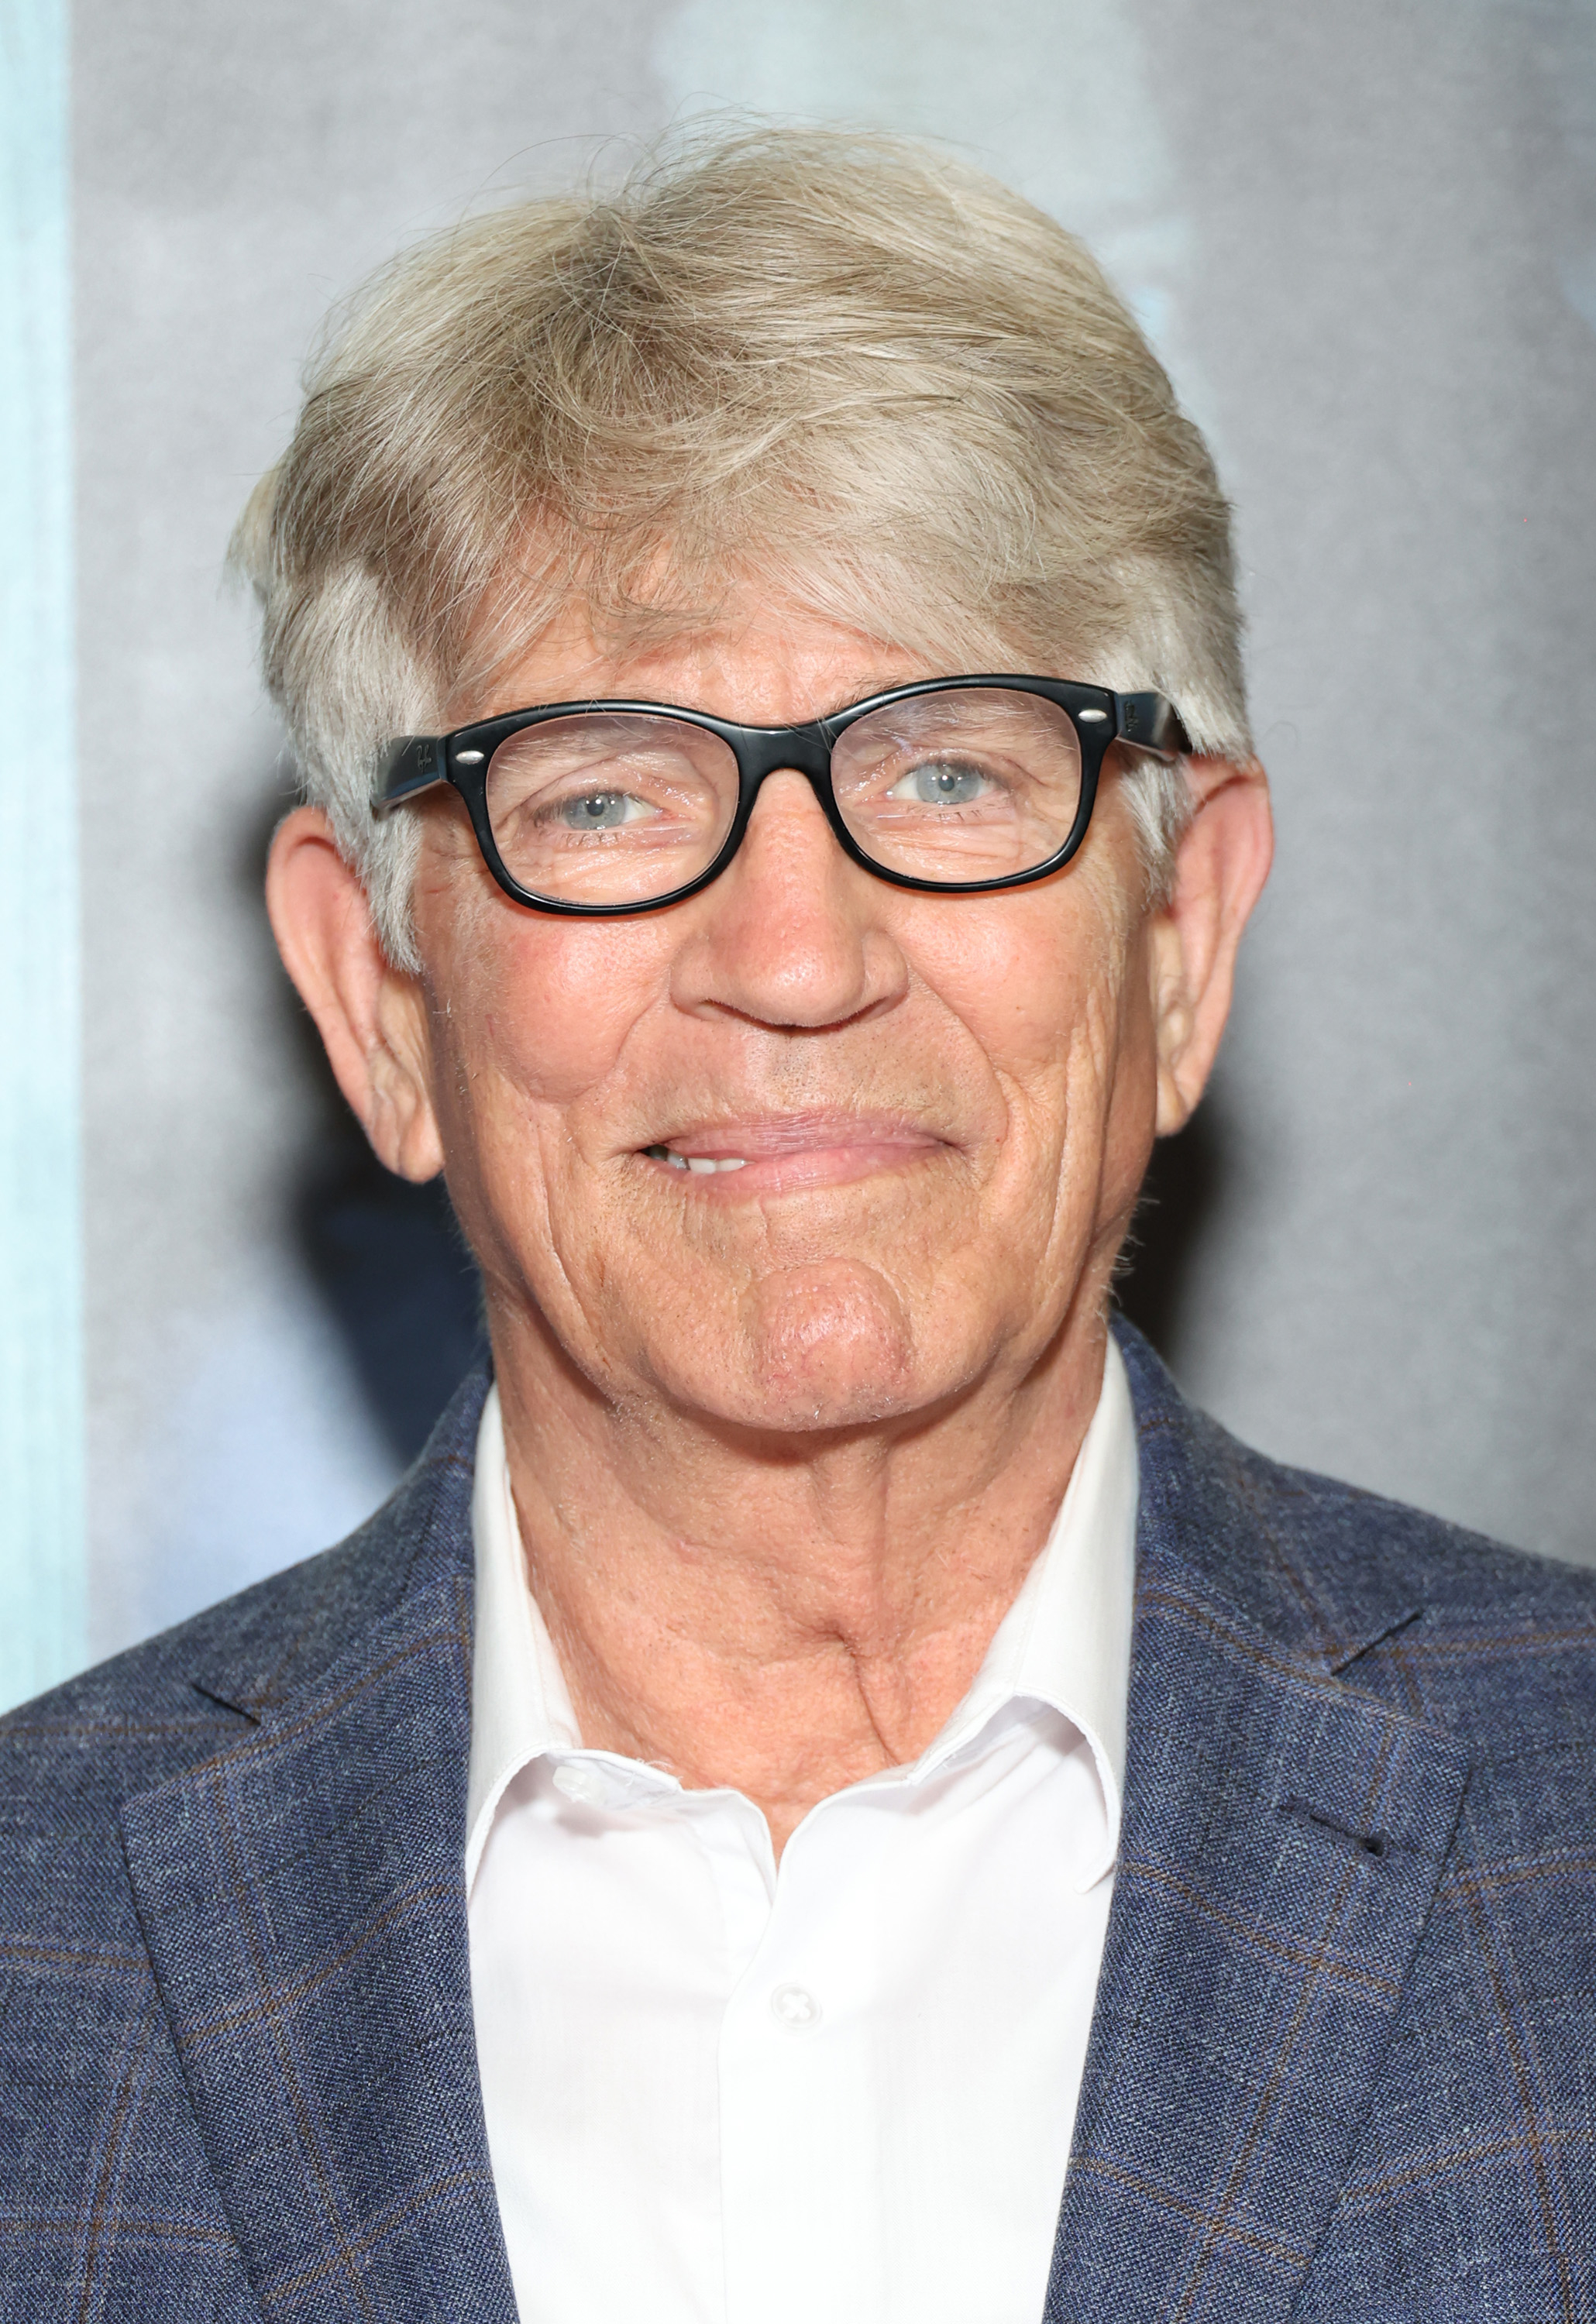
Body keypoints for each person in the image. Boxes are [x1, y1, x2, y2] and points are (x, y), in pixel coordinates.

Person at [1, 126, 1591, 2324]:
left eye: (949, 769)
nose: (794, 952)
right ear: (381, 997)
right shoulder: (35, 1942)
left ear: (1174, 945)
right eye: (602, 795)